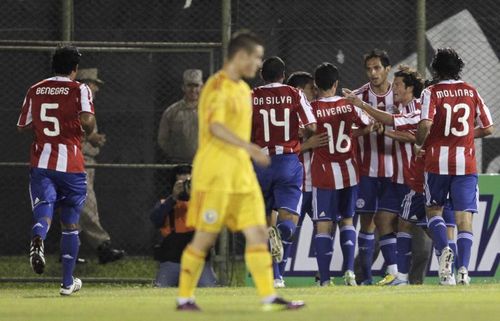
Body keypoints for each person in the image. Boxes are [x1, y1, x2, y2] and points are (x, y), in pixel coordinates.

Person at [175, 30, 304, 312]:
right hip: (216, 175)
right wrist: (251, 148)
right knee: (205, 236)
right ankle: (184, 297)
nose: (258, 64)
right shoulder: (217, 86)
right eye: (256, 57)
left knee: (259, 233)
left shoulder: (245, 91)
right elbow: (215, 127)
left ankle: (270, 294)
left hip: (242, 175)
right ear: (241, 56)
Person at [17, 46, 96, 295]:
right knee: (70, 223)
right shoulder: (79, 89)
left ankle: (38, 236)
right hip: (71, 166)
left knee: (44, 213)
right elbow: (87, 121)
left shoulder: (35, 89)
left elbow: (23, 125)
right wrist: (87, 128)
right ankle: (66, 283)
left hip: (42, 163)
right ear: (75, 69)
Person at [414, 48, 494, 285]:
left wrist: (420, 141)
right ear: (458, 67)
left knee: (434, 211)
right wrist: (467, 135)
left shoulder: (432, 92)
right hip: (465, 164)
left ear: (435, 69)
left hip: (437, 162)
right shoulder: (471, 91)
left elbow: (426, 124)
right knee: (464, 219)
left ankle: (445, 249)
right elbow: (488, 127)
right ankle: (463, 272)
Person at [344, 65, 427, 285]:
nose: (395, 88)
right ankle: (396, 274)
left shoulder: (418, 107)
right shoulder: (402, 107)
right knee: (382, 219)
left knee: (425, 231)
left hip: (413, 179)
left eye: (398, 84)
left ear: (410, 88)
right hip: (397, 177)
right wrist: (383, 130)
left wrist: (363, 106)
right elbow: (395, 127)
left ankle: (447, 264)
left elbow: (413, 138)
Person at [251, 57, 317, 288]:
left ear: (262, 75)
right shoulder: (294, 93)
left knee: (265, 221)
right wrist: (299, 137)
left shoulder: (252, 96)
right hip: (288, 161)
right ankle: (282, 232)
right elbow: (311, 127)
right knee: (288, 219)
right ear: (283, 74)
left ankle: (275, 277)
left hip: (260, 162)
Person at [311, 63, 371, 286]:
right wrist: (354, 133)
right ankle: (349, 273)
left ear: (316, 85)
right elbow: (368, 124)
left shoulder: (312, 108)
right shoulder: (348, 105)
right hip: (349, 172)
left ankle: (325, 279)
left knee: (323, 224)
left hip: (324, 174)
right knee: (347, 221)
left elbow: (300, 131)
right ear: (336, 84)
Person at [353, 49, 398, 285]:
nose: (373, 73)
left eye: (377, 67)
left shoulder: (400, 96)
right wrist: (366, 129)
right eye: (369, 68)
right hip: (367, 171)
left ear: (387, 68)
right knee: (367, 223)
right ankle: (366, 279)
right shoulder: (359, 97)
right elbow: (347, 133)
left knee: (398, 224)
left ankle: (398, 275)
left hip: (396, 171)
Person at [76, 68, 125, 264]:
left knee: (75, 206)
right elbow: (67, 132)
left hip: (86, 160)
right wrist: (91, 137)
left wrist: (93, 139)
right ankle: (102, 246)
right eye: (93, 83)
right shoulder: (76, 104)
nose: (96, 88)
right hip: (77, 160)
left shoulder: (85, 105)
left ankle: (69, 252)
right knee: (86, 204)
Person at [150, 165, 216, 287]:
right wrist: (174, 197)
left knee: (210, 289)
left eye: (189, 182)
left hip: (199, 262)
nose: (186, 187)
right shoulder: (165, 203)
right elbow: (155, 219)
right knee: (160, 291)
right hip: (172, 261)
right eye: (181, 184)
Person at [157, 69, 202, 164]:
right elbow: (162, 138)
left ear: (202, 87)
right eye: (189, 86)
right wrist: (176, 153)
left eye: (196, 86)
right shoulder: (172, 112)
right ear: (183, 87)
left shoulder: (209, 111)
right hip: (180, 163)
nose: (193, 90)